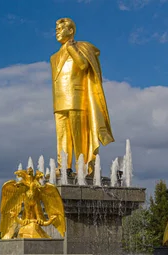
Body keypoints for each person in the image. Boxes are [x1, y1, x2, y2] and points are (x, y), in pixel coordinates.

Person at [51, 17, 114, 175]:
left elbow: (84, 65)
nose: (57, 32)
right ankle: (63, 167)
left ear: (71, 31)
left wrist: (72, 49)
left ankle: (83, 167)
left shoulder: (82, 47)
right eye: (56, 30)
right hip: (59, 102)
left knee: (79, 137)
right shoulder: (54, 57)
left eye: (60, 29)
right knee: (62, 137)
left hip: (77, 99)